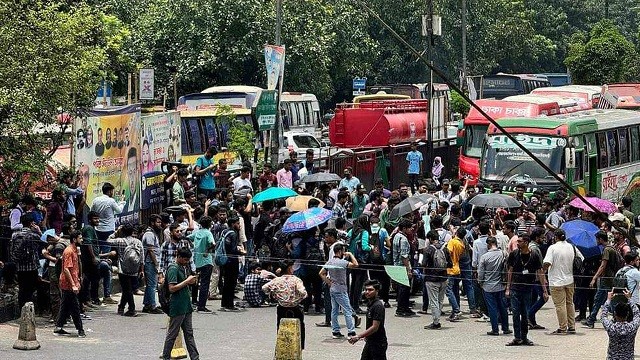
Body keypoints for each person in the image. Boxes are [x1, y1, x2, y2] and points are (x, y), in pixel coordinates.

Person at [505, 234, 544, 346]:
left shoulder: (534, 255)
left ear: (526, 242)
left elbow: (540, 272)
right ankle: (517, 337)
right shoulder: (514, 254)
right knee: (516, 313)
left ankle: (524, 337)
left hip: (528, 289)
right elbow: (510, 271)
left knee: (525, 314)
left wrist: (544, 290)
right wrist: (508, 287)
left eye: (520, 241)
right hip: (515, 288)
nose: (518, 243)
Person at [162, 247, 200, 360]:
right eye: (184, 260)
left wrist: (192, 281)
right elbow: (172, 288)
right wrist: (187, 281)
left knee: (189, 333)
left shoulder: (184, 267)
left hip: (186, 305)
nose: (186, 262)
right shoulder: (173, 268)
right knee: (172, 334)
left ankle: (195, 357)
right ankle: (166, 356)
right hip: (177, 305)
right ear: (178, 257)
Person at [262, 260, 308, 349]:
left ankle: (280, 345)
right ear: (289, 268)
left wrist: (273, 294)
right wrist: (302, 297)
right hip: (295, 308)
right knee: (301, 326)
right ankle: (300, 346)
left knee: (279, 326)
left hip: (282, 308)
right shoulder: (296, 280)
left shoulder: (277, 280)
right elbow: (303, 292)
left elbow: (264, 288)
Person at [319, 243, 359, 339]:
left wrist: (329, 282)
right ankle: (351, 331)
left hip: (332, 289)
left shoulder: (330, 262)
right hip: (341, 289)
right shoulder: (342, 262)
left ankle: (335, 331)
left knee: (334, 310)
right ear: (340, 251)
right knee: (347, 310)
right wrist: (350, 254)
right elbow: (356, 264)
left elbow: (321, 273)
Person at [543, 228, 579, 334]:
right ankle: (571, 327)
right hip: (570, 279)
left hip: (556, 281)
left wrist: (542, 270)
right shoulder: (572, 247)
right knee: (570, 303)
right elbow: (581, 258)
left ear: (555, 237)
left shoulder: (552, 248)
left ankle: (562, 327)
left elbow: (547, 262)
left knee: (560, 305)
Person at [584, 230, 622, 329]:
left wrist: (594, 278)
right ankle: (613, 319)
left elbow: (602, 266)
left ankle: (592, 320)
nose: (596, 241)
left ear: (600, 239)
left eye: (597, 239)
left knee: (600, 299)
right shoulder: (612, 248)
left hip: (607, 279)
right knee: (608, 300)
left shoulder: (606, 250)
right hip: (611, 278)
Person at [106, 223, 144, 317]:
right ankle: (121, 306)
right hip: (134, 269)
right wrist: (141, 269)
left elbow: (108, 241)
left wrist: (115, 232)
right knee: (128, 289)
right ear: (132, 232)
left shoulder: (120, 241)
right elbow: (142, 257)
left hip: (123, 269)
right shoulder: (138, 242)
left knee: (127, 289)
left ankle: (132, 309)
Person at [53, 230, 85, 337]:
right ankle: (80, 329)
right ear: (75, 239)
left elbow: (76, 266)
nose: (82, 240)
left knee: (65, 305)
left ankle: (58, 326)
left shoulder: (76, 250)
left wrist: (79, 278)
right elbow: (66, 269)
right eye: (80, 238)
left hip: (73, 281)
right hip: (68, 283)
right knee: (75, 307)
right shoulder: (68, 251)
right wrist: (73, 284)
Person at [478, 236, 512, 336]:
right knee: (502, 307)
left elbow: (481, 273)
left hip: (488, 286)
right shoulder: (503, 253)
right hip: (501, 285)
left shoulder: (484, 257)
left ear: (488, 244)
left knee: (492, 308)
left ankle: (495, 329)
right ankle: (505, 328)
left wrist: (480, 282)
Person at [348, 279, 387, 360]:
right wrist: (366, 336)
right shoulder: (370, 304)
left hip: (378, 343)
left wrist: (358, 336)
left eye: (370, 290)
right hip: (370, 341)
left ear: (377, 291)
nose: (367, 292)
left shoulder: (378, 306)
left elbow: (375, 327)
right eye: (365, 290)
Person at [422, 230, 452, 330]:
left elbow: (423, 263)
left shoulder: (427, 250)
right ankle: (437, 319)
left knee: (433, 301)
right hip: (444, 278)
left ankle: (436, 322)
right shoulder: (445, 249)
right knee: (440, 300)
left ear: (430, 239)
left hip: (431, 279)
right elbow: (450, 264)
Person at [11, 213, 43, 308]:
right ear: (31, 223)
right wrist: (39, 231)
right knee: (31, 289)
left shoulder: (14, 235)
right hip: (31, 266)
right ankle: (30, 309)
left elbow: (12, 250)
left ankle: (22, 309)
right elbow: (44, 243)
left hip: (20, 266)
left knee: (22, 288)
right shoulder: (34, 235)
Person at [601, 290, 640, 360]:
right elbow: (637, 313)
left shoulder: (611, 327)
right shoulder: (632, 327)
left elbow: (603, 315)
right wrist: (629, 299)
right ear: (627, 314)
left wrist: (608, 299)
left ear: (615, 314)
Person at [187, 215, 215, 312]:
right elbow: (212, 243)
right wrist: (208, 250)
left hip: (196, 261)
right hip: (206, 261)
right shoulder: (208, 233)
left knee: (195, 282)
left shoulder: (197, 232)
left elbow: (187, 238)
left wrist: (193, 247)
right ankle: (201, 305)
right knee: (204, 284)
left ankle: (194, 301)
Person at [221, 217, 245, 311]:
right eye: (238, 223)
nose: (239, 226)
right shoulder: (233, 234)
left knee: (226, 282)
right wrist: (241, 252)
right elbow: (233, 249)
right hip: (232, 260)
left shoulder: (224, 232)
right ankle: (230, 304)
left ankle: (224, 303)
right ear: (232, 224)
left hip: (225, 259)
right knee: (231, 283)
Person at [348, 215, 371, 313]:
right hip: (361, 261)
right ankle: (356, 306)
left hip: (351, 260)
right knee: (359, 283)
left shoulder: (351, 231)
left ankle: (350, 304)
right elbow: (365, 247)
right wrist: (372, 248)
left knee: (353, 283)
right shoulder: (364, 232)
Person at [141, 214, 164, 314]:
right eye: (158, 222)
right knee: (152, 285)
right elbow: (150, 250)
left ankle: (147, 304)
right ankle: (152, 306)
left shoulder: (153, 233)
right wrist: (156, 264)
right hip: (150, 262)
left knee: (151, 284)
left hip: (151, 262)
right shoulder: (149, 234)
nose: (159, 224)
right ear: (152, 223)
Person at [393, 219, 415, 317]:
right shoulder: (404, 239)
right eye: (410, 228)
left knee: (402, 288)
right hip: (402, 266)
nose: (411, 229)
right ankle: (401, 309)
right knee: (404, 288)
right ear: (404, 228)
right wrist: (408, 269)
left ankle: (404, 307)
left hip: (397, 265)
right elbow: (404, 256)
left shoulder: (396, 236)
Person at [124, 147, 140, 213]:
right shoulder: (125, 205)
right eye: (130, 173)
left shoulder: (139, 201)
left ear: (137, 171)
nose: (132, 179)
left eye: (134, 172)